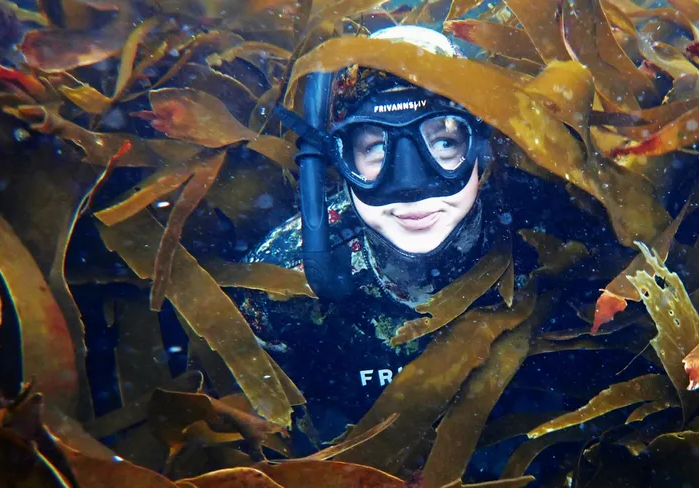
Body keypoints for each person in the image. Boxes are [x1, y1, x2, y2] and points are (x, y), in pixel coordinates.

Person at [234, 26, 629, 454]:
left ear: (480, 150)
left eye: (442, 142)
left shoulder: (556, 242)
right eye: (377, 151)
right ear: (337, 160)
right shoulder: (278, 286)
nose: (410, 185)